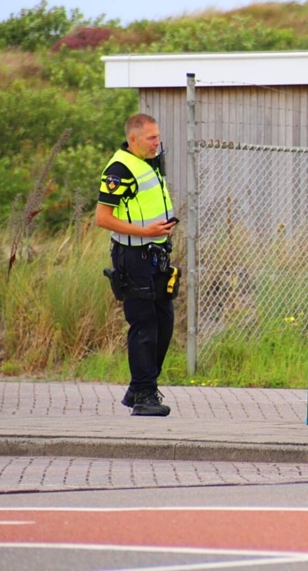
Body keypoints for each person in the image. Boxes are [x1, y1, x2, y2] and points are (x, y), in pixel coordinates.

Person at [96, 113, 178, 417]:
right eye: (151, 138)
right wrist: (146, 232)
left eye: (158, 136)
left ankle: (139, 385)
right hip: (133, 258)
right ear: (133, 139)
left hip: (157, 255)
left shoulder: (150, 163)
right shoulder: (119, 169)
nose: (157, 142)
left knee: (164, 323)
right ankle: (144, 395)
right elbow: (102, 218)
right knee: (144, 326)